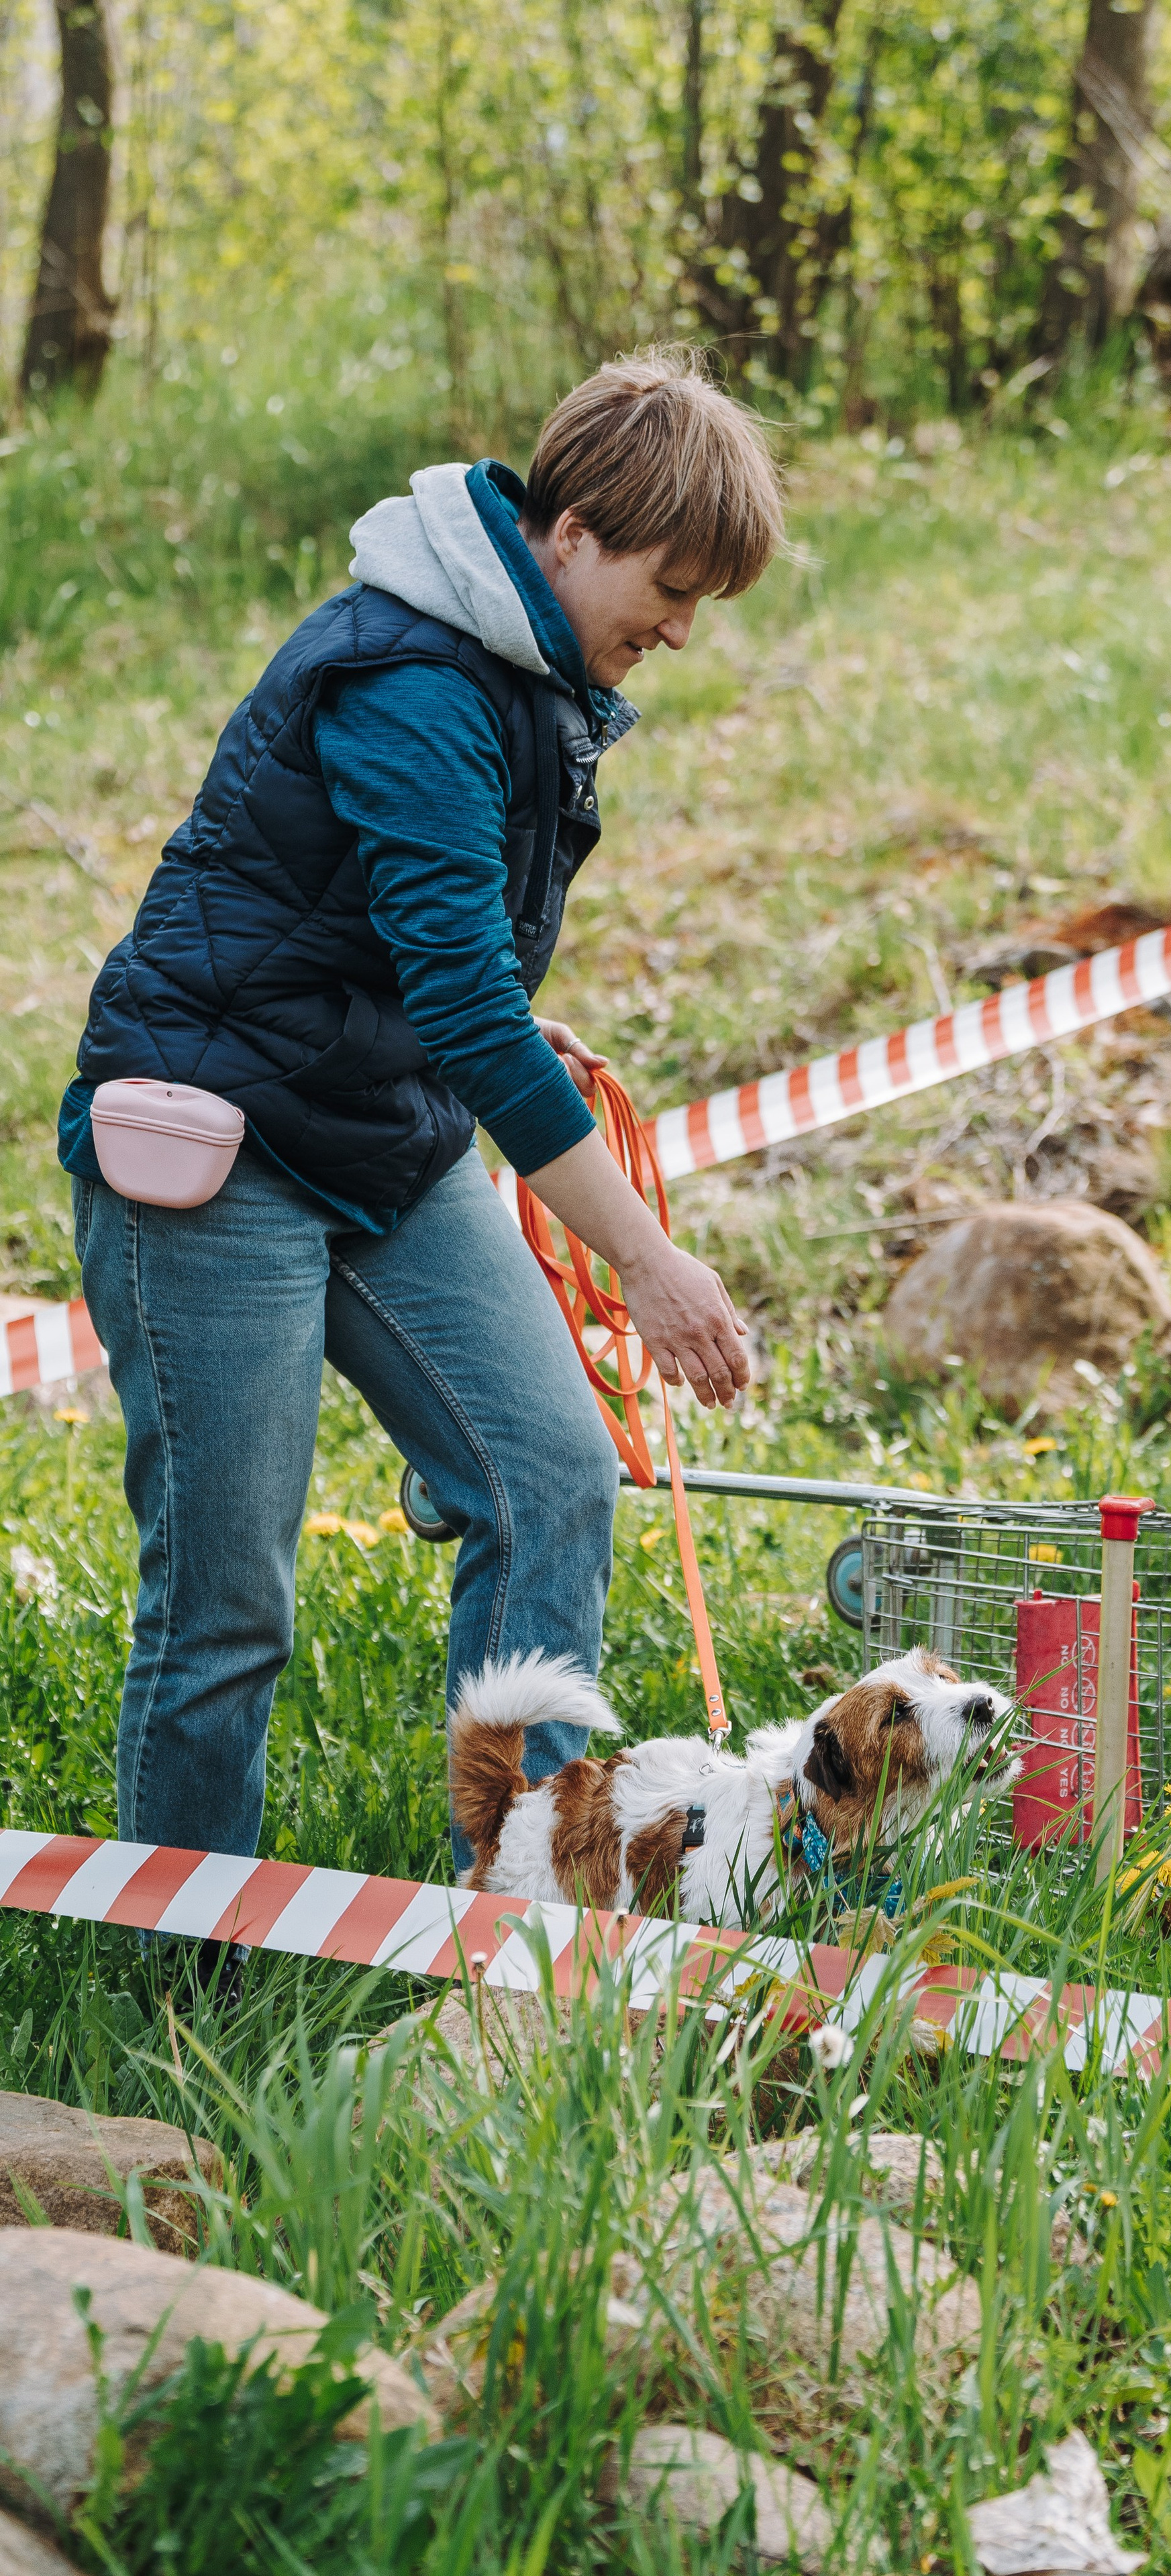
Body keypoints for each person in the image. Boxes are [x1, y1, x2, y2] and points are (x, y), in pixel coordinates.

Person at [59, 344, 782, 1912]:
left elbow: (425, 953)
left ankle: (523, 1909)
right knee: (229, 1594)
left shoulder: (532, 674)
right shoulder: (409, 674)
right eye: (667, 584)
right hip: (213, 1146)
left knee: (550, 1478)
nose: (676, 626)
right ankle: (188, 1967)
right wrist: (646, 1264)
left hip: (381, 1131)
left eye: (701, 603)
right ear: (570, 528)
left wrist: (499, 1030)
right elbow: (462, 1000)